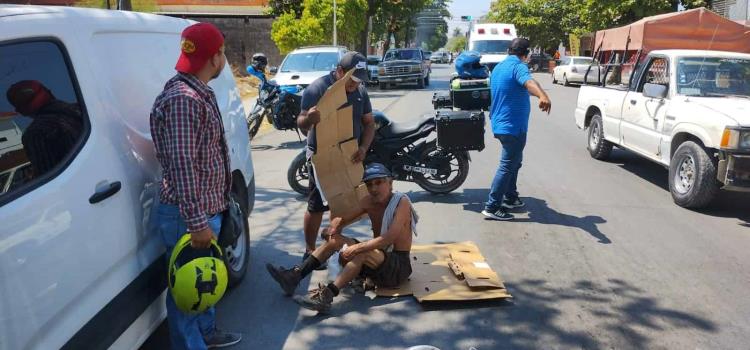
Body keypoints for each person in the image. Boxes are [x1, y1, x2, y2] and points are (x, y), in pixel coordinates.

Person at [149, 22, 241, 350]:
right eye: (223, 53)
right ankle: (193, 343)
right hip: (188, 216)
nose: (224, 59)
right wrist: (198, 222)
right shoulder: (184, 99)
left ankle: (207, 333)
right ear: (215, 57)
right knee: (186, 295)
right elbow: (183, 167)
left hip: (204, 211)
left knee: (205, 280)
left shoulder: (197, 91)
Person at [266, 163, 418, 313]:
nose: (374, 189)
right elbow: (343, 219)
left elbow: (388, 238)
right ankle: (294, 276)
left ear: (390, 183)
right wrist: (333, 228)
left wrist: (356, 247)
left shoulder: (401, 202)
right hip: (378, 260)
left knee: (361, 251)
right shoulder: (368, 201)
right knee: (335, 240)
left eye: (379, 183)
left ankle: (326, 296)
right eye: (369, 184)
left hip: (397, 268)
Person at [296, 51, 376, 269]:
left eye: (360, 79)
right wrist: (310, 119)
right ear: (340, 71)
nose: (356, 84)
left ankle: (330, 244)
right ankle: (310, 251)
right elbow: (301, 122)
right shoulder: (318, 88)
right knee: (317, 205)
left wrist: (363, 147)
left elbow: (369, 123)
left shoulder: (360, 91)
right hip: (322, 155)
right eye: (352, 78)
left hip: (349, 153)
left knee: (342, 202)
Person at [482, 38, 552, 221]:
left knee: (515, 161)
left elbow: (524, 85)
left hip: (501, 123)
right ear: (526, 54)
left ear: (509, 50)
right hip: (512, 127)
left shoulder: (499, 67)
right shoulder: (518, 67)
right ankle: (492, 206)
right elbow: (528, 82)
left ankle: (511, 197)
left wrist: (539, 91)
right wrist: (543, 96)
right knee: (507, 165)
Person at [5, 80, 83, 177]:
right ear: (49, 92)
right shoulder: (83, 108)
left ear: (22, 111)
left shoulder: (35, 133)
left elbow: (50, 179)